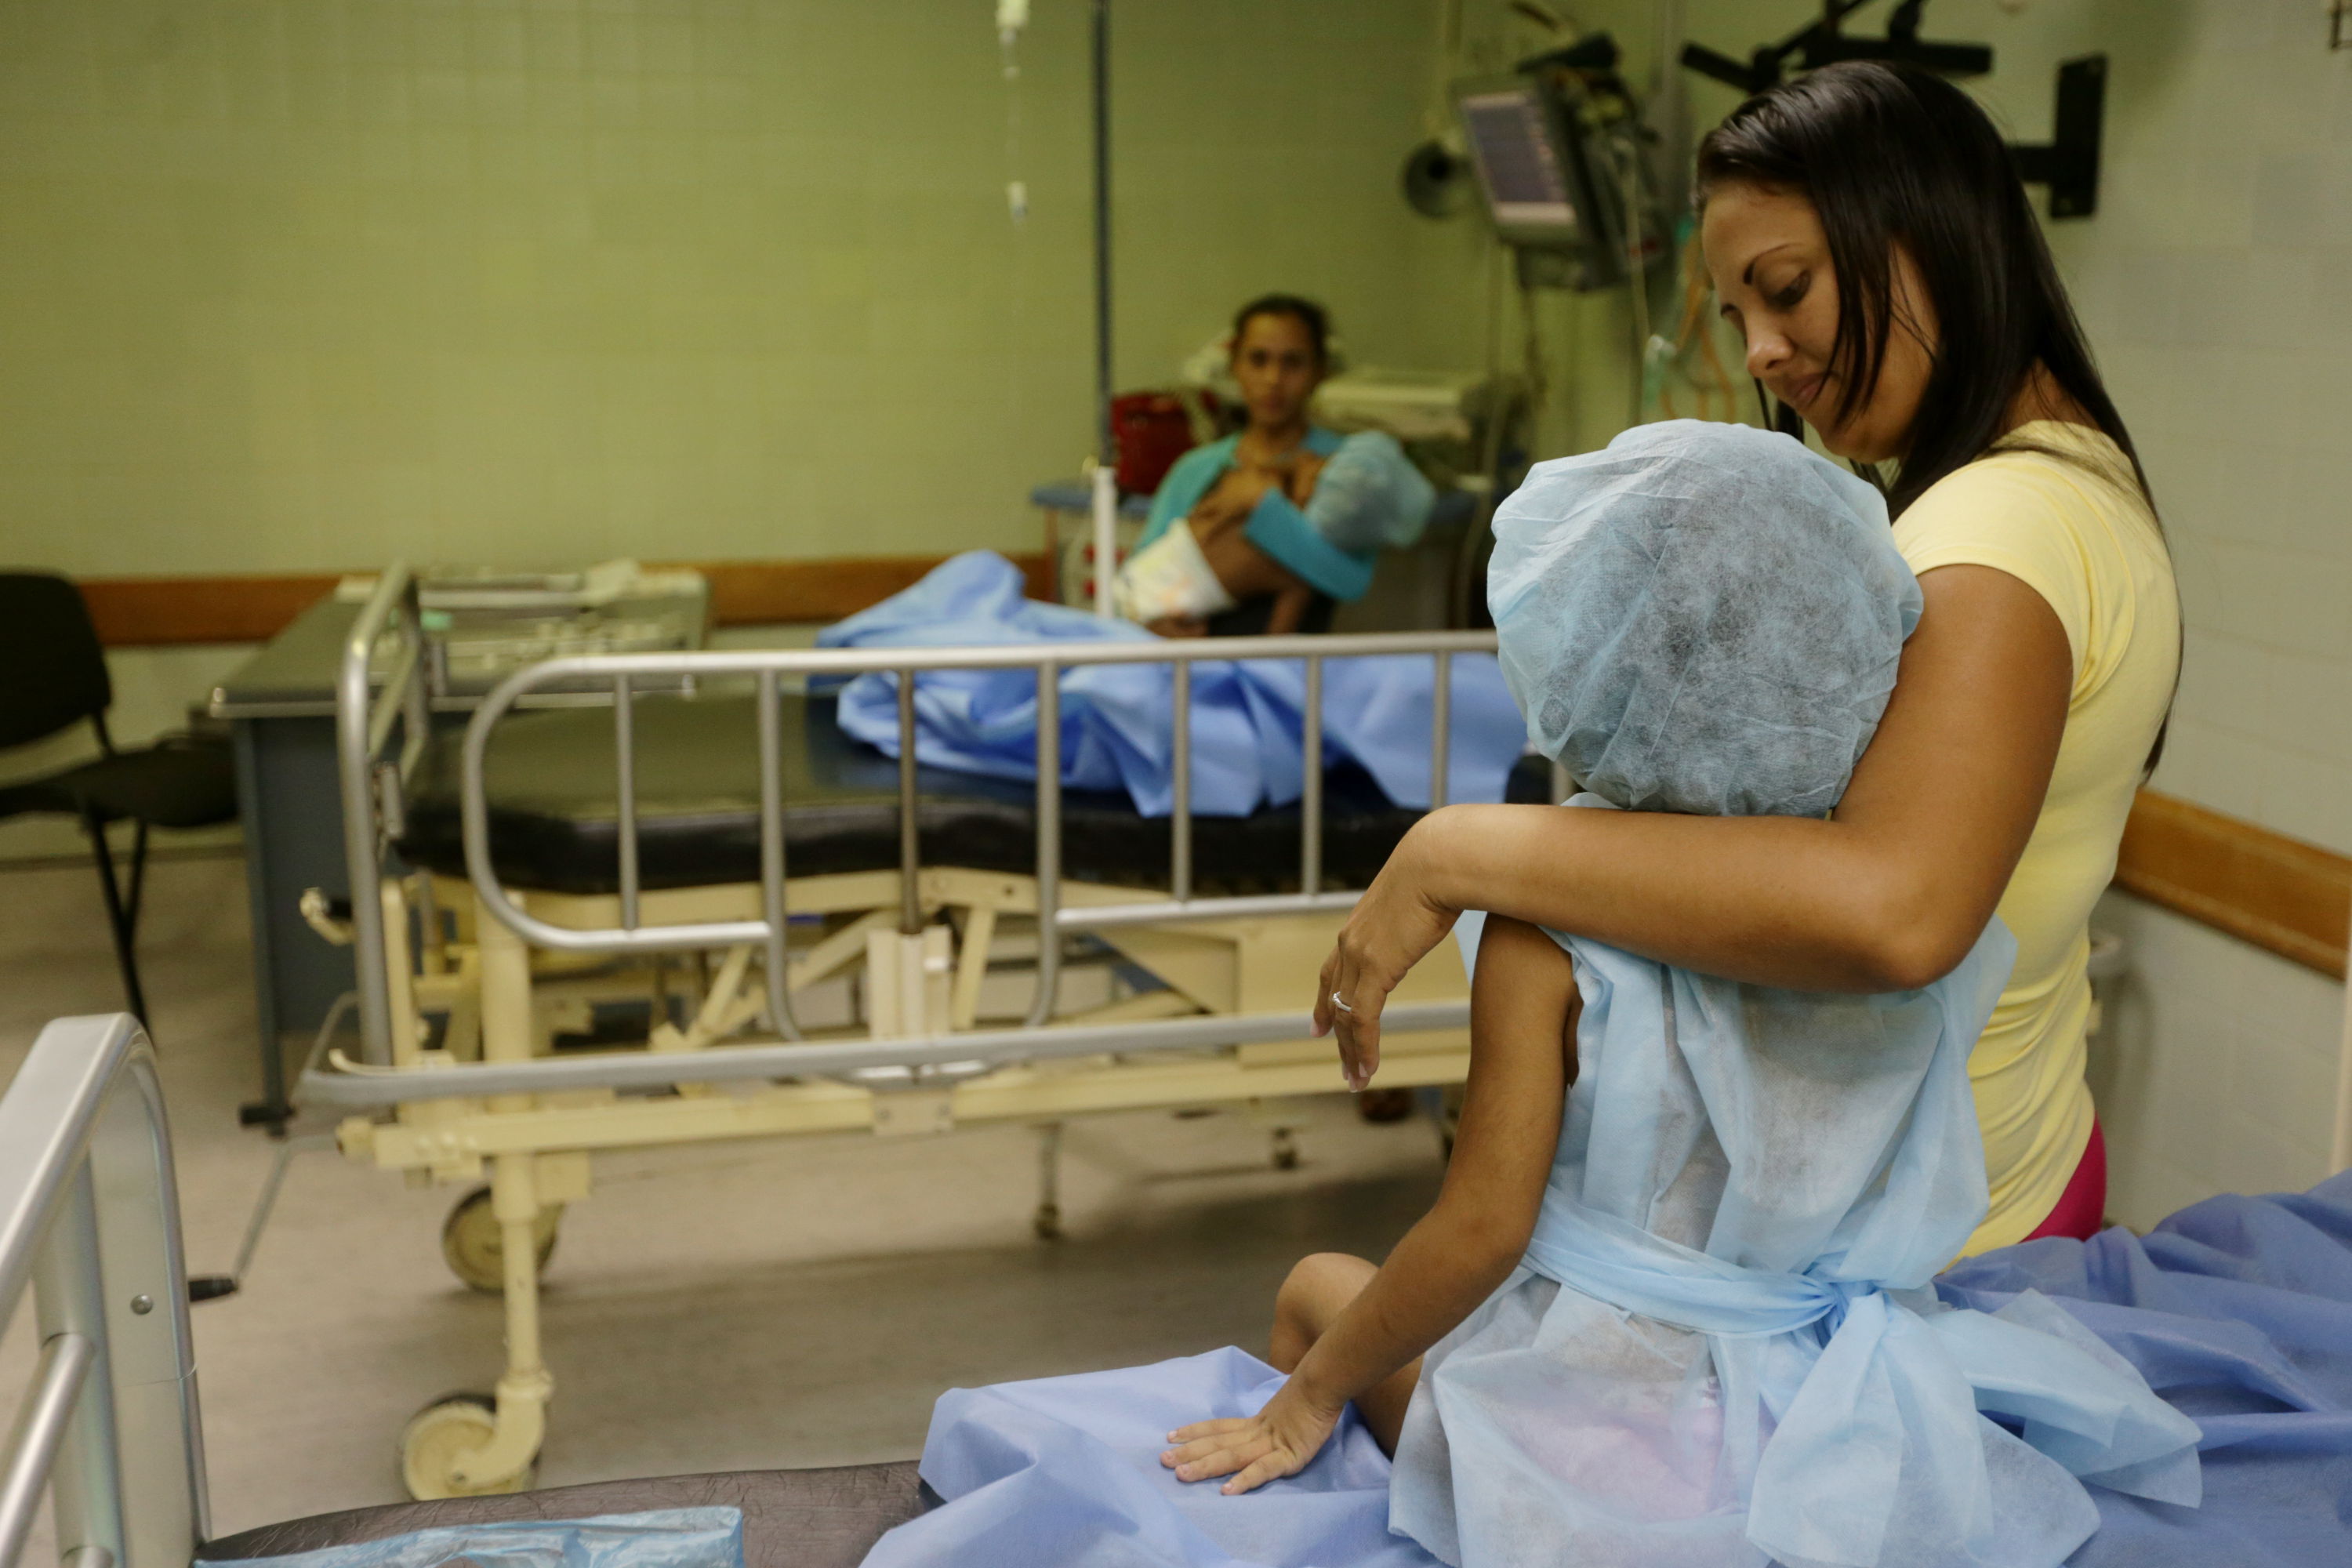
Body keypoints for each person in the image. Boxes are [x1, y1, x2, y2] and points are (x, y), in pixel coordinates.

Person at [865, 423, 2195, 1568]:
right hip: (1832, 1427)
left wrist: (1312, 1397)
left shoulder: (1551, 933)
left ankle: (1301, 1500)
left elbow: (1480, 1232)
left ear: (1585, 664)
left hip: (1613, 1455)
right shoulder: (1902, 929)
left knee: (1321, 1285)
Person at [1314, 60, 2180, 1261]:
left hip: (1918, 1256)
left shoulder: (1994, 533)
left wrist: (1458, 852)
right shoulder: (2069, 477)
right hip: (2020, 1170)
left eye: (1788, 289)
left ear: (1932, 232)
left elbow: (1898, 910)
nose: (1764, 351)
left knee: (1336, 1307)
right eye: (1738, 317)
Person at [1127, 296, 1429, 637]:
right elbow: (1139, 580)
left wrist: (1263, 505)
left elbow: (1350, 582)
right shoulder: (1196, 470)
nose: (1273, 378)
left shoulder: (1346, 470)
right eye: (1258, 360)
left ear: (1319, 371)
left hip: (1296, 664)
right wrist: (1154, 625)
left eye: (1293, 363)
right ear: (1235, 365)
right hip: (1193, 659)